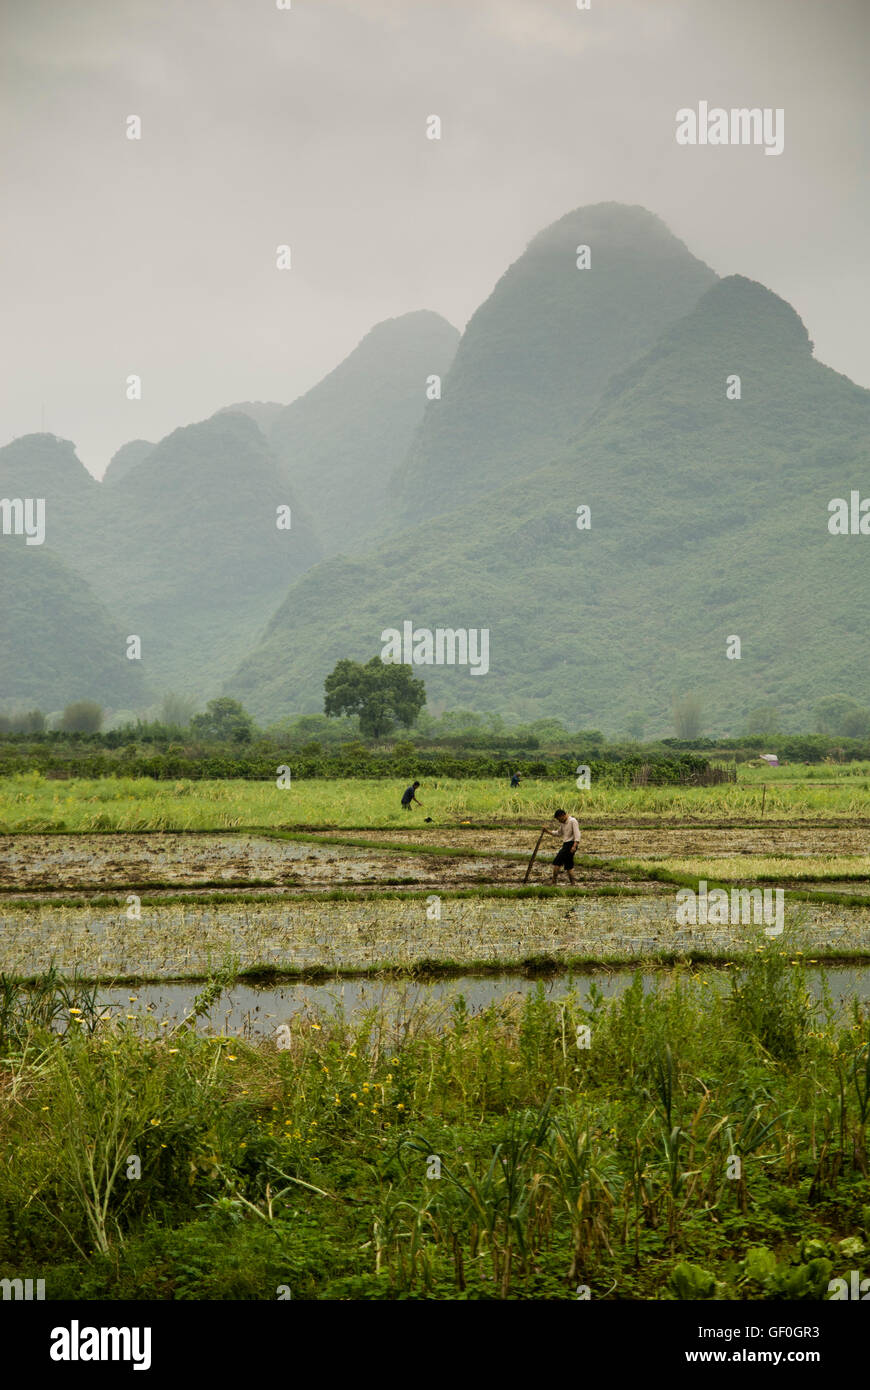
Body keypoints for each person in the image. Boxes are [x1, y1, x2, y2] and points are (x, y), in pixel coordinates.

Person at [545, 808, 580, 884]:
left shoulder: (573, 821)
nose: (559, 821)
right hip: (566, 844)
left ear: (563, 815)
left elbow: (577, 834)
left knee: (557, 861)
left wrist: (574, 846)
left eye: (559, 819)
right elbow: (559, 833)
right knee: (568, 865)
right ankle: (573, 883)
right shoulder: (563, 823)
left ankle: (554, 881)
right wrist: (548, 832)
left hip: (571, 844)